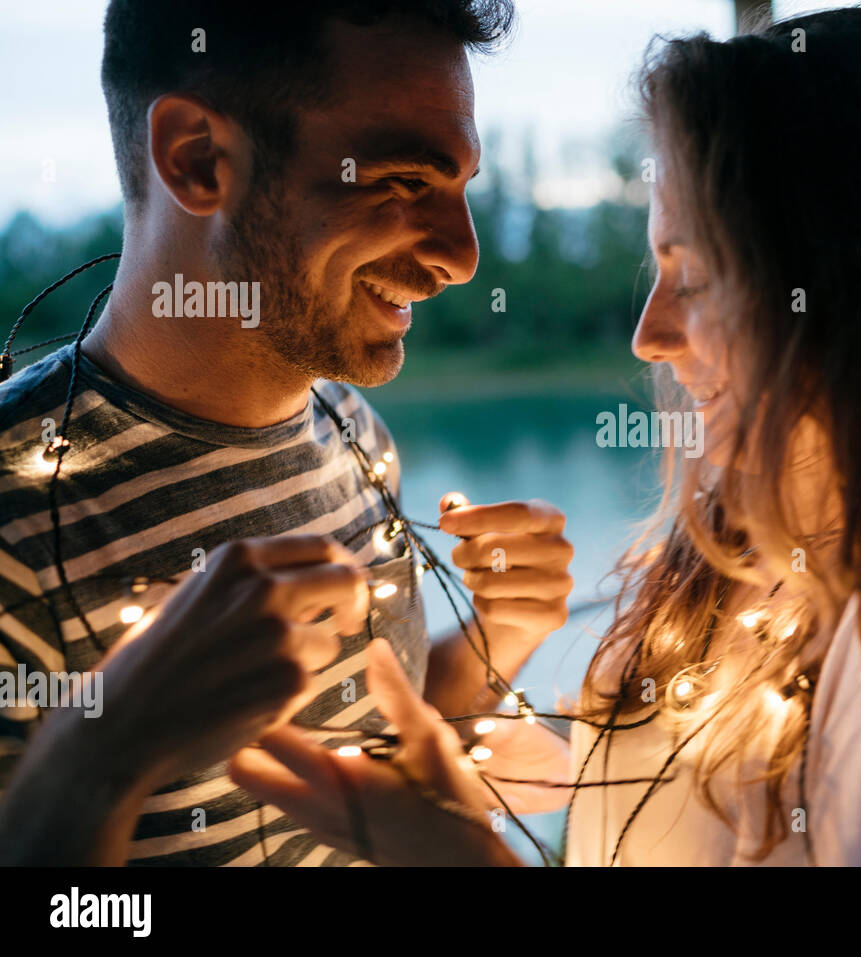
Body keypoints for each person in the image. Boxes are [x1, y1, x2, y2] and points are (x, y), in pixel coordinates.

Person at [233, 4, 861, 866]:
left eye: (694, 274)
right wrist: (510, 758)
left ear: (860, 295)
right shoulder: (754, 564)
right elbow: (708, 792)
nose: (649, 333)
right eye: (654, 269)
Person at [0, 0, 576, 866]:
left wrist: (498, 635)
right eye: (405, 182)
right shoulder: (18, 520)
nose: (463, 256)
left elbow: (388, 735)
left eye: (461, 188)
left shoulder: (351, 430)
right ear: (197, 159)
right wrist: (103, 753)